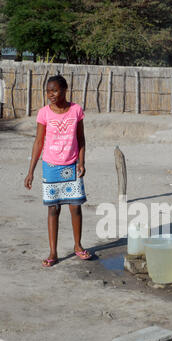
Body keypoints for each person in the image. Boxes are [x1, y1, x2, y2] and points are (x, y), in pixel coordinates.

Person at [24, 74, 91, 267]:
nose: (51, 94)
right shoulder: (44, 113)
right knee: (53, 209)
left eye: (54, 90)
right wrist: (31, 171)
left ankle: (77, 246)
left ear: (64, 90)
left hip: (71, 166)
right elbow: (38, 142)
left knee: (75, 207)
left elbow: (81, 138)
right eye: (48, 91)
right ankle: (53, 252)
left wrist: (81, 161)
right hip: (50, 166)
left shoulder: (76, 110)